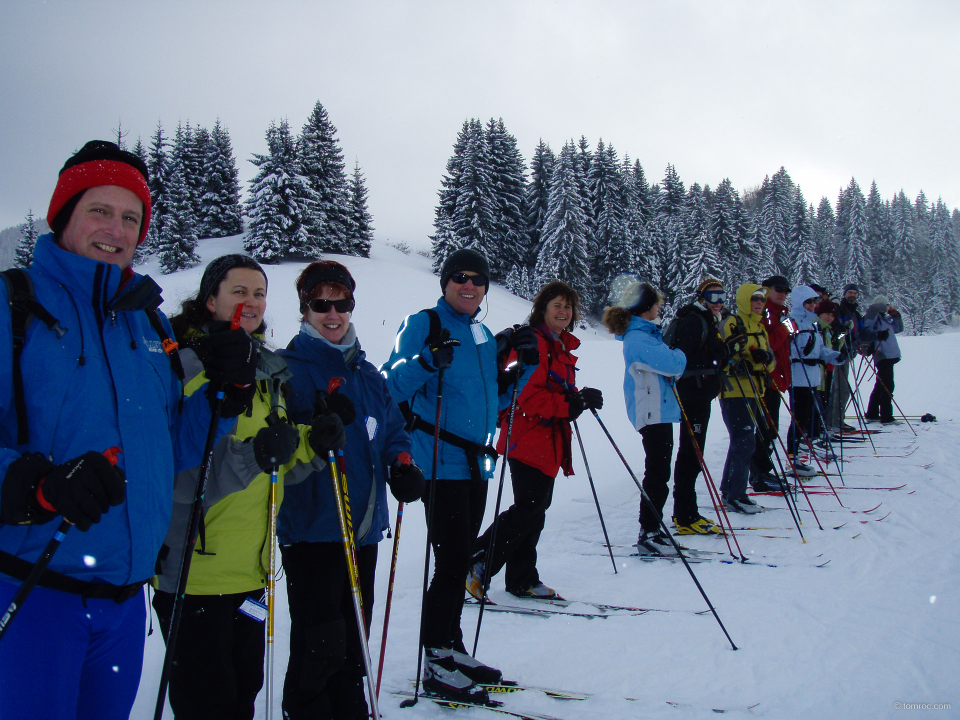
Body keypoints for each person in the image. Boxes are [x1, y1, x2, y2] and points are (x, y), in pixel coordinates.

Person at [0, 141, 257, 720]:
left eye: (131, 217)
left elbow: (170, 451)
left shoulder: (147, 322)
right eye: (99, 210)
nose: (115, 229)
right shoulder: (13, 307)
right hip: (32, 591)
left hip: (124, 606)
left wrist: (226, 397)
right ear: (64, 214)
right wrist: (36, 485)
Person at [153, 254, 340, 720]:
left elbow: (272, 468)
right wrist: (254, 454)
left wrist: (311, 444)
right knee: (207, 704)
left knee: (243, 696)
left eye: (259, 293)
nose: (251, 302)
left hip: (253, 573)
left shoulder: (267, 370)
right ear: (210, 298)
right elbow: (168, 475)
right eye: (239, 291)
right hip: (194, 576)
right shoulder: (185, 365)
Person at [381, 248, 537, 704]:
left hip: (476, 464)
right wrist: (427, 362)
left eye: (478, 279)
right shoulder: (424, 324)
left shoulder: (482, 333)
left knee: (459, 558)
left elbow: (498, 402)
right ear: (445, 282)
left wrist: (523, 370)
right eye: (459, 278)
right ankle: (436, 659)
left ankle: (451, 648)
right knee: (450, 564)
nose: (468, 286)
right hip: (437, 462)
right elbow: (390, 385)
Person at [277, 261, 424, 720]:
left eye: (341, 303)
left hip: (361, 529)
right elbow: (277, 446)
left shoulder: (367, 374)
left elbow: (393, 430)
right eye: (321, 304)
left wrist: (401, 463)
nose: (333, 313)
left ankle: (349, 708)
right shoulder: (288, 370)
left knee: (354, 636)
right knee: (319, 639)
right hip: (312, 528)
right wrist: (312, 428)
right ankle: (305, 711)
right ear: (305, 310)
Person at [467, 281, 602, 600]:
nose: (563, 311)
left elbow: (554, 388)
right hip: (526, 437)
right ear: (542, 308)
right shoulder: (534, 342)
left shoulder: (559, 345)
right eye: (557, 304)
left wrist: (579, 398)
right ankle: (476, 562)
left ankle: (522, 576)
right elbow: (525, 395)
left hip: (548, 440)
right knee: (529, 508)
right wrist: (568, 406)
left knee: (535, 509)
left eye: (568, 306)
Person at [602, 282, 686, 553]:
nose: (660, 307)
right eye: (657, 303)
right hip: (652, 411)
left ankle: (652, 528)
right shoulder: (639, 338)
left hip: (657, 409)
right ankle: (648, 531)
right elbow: (673, 365)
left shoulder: (646, 334)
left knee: (659, 472)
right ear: (646, 306)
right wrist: (680, 353)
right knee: (657, 473)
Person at [671, 279, 746, 527]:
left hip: (701, 394)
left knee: (694, 454)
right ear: (702, 297)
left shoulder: (706, 320)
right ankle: (685, 514)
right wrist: (720, 352)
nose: (719, 302)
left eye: (722, 296)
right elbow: (685, 359)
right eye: (713, 296)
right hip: (693, 395)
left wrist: (725, 353)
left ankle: (686, 512)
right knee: (691, 455)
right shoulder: (695, 321)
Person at [719, 284, 776, 514]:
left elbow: (770, 363)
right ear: (744, 300)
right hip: (734, 390)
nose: (759, 303)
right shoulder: (732, 322)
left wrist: (765, 359)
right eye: (754, 299)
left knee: (742, 440)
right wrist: (736, 360)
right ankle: (736, 494)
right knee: (744, 441)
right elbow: (721, 354)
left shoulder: (760, 327)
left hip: (755, 389)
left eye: (762, 300)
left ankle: (730, 489)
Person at [787, 287, 841, 464]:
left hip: (812, 377)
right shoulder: (791, 322)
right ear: (799, 302)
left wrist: (835, 355)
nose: (812, 305)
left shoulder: (812, 324)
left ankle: (805, 449)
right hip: (797, 376)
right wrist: (801, 353)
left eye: (814, 301)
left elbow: (818, 350)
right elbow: (784, 349)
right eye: (808, 302)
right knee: (798, 418)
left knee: (808, 417)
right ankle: (792, 456)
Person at [750, 275, 793, 483]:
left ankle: (762, 471)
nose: (783, 294)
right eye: (779, 289)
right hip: (765, 380)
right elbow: (767, 346)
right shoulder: (763, 311)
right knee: (766, 427)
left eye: (786, 291)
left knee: (770, 427)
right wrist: (784, 329)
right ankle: (759, 473)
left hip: (775, 379)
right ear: (766, 289)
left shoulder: (780, 314)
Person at [860, 295, 904, 424]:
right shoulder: (873, 315)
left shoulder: (883, 319)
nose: (887, 307)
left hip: (889, 355)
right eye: (886, 305)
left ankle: (872, 413)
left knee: (881, 385)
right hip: (882, 354)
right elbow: (866, 330)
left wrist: (895, 315)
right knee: (887, 385)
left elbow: (898, 328)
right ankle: (886, 416)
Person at [831, 284, 863, 431]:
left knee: (840, 389)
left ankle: (836, 420)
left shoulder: (855, 313)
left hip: (848, 353)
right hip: (837, 354)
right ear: (845, 294)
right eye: (850, 292)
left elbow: (860, 332)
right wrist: (844, 334)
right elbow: (835, 331)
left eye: (855, 293)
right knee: (840, 389)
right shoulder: (840, 309)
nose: (852, 295)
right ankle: (835, 421)